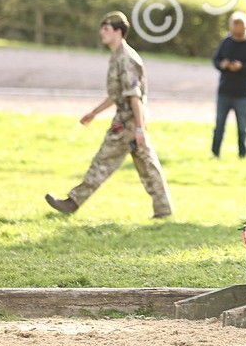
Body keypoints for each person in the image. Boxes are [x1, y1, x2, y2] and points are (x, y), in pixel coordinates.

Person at [45, 11, 173, 218]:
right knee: (147, 166)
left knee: (103, 161)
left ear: (118, 31)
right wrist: (94, 113)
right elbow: (117, 95)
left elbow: (134, 97)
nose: (101, 33)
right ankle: (164, 210)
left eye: (106, 29)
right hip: (130, 120)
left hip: (128, 121)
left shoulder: (126, 59)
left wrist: (139, 128)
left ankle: (73, 202)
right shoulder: (118, 56)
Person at [212, 10, 246, 158]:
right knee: (219, 126)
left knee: (242, 127)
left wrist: (241, 67)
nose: (237, 32)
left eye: (240, 28)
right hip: (224, 90)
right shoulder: (227, 41)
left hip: (243, 92)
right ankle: (215, 153)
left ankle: (242, 154)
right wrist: (223, 64)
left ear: (245, 27)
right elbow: (215, 60)